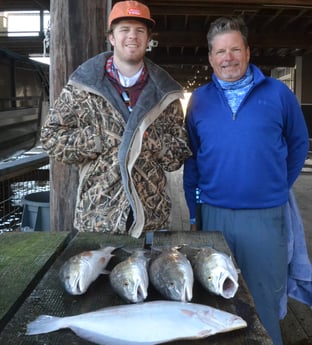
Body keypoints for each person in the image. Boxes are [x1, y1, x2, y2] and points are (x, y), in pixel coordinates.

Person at [183, 16, 310, 345]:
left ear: (248, 51)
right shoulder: (198, 100)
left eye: (235, 49)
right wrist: (194, 213)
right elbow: (193, 159)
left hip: (265, 216)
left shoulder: (278, 93)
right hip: (215, 213)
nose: (228, 58)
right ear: (211, 57)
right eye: (220, 51)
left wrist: (278, 184)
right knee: (216, 297)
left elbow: (298, 143)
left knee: (264, 296)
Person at [40, 1, 191, 238]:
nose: (132, 36)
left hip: (151, 219)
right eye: (124, 29)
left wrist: (150, 142)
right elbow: (51, 138)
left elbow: (179, 153)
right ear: (112, 37)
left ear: (148, 39)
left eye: (140, 30)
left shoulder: (166, 93)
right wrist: (99, 140)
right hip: (97, 218)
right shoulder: (82, 87)